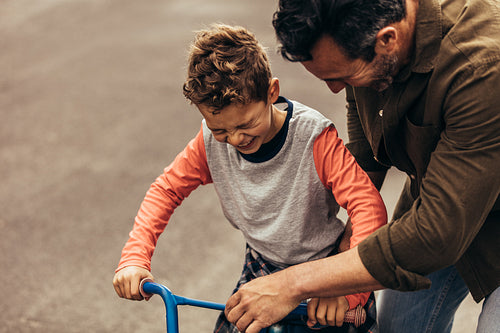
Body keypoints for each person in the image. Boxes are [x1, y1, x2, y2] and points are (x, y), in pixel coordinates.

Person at [223, 0, 500, 332]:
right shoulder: (375, 48)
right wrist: (352, 222)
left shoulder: (481, 67)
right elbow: (364, 116)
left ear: (387, 40)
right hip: (443, 194)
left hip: (451, 217)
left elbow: (437, 235)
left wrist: (294, 283)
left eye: (344, 76)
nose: (336, 88)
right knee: (398, 327)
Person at [112, 24, 387, 332]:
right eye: (220, 130)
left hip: (324, 269)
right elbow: (166, 190)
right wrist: (135, 258)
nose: (235, 139)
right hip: (261, 265)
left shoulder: (313, 138)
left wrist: (349, 290)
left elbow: (367, 206)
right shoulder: (208, 143)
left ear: (271, 92)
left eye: (246, 124)